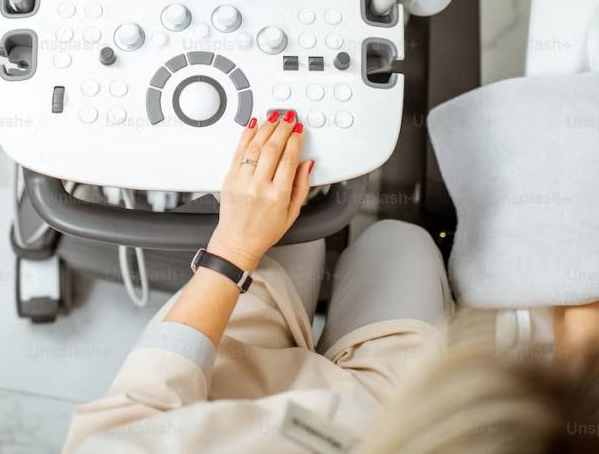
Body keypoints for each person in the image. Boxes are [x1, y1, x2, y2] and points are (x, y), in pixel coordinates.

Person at [62, 112, 599, 453]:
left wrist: (234, 250)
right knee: (397, 241)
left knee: (299, 226)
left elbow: (139, 404)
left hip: (221, 387)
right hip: (388, 415)